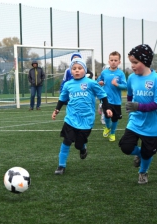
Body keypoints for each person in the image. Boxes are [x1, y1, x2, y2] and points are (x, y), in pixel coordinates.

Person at [52, 58, 113, 175]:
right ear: (71, 71)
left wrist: (108, 108)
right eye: (74, 69)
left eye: (79, 68)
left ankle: (83, 148)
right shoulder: (68, 84)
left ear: (84, 70)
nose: (77, 71)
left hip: (87, 120)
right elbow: (62, 98)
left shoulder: (91, 83)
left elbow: (103, 95)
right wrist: (56, 110)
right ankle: (61, 166)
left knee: (78, 144)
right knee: (67, 140)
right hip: (71, 118)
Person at [119, 44, 157, 184]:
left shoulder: (155, 79)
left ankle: (143, 172)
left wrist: (138, 106)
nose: (132, 66)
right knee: (126, 147)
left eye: (135, 62)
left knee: (149, 153)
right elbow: (129, 95)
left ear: (145, 61)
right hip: (135, 121)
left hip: (152, 125)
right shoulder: (131, 78)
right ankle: (141, 155)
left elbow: (156, 103)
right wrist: (130, 107)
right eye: (131, 62)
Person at [97, 51, 127, 142]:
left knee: (115, 118)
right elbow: (98, 82)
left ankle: (112, 133)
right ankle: (107, 127)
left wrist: (117, 84)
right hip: (106, 99)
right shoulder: (104, 72)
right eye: (111, 60)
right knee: (106, 115)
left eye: (115, 60)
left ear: (119, 62)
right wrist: (100, 83)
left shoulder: (121, 73)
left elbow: (125, 86)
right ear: (109, 61)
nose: (113, 62)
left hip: (117, 100)